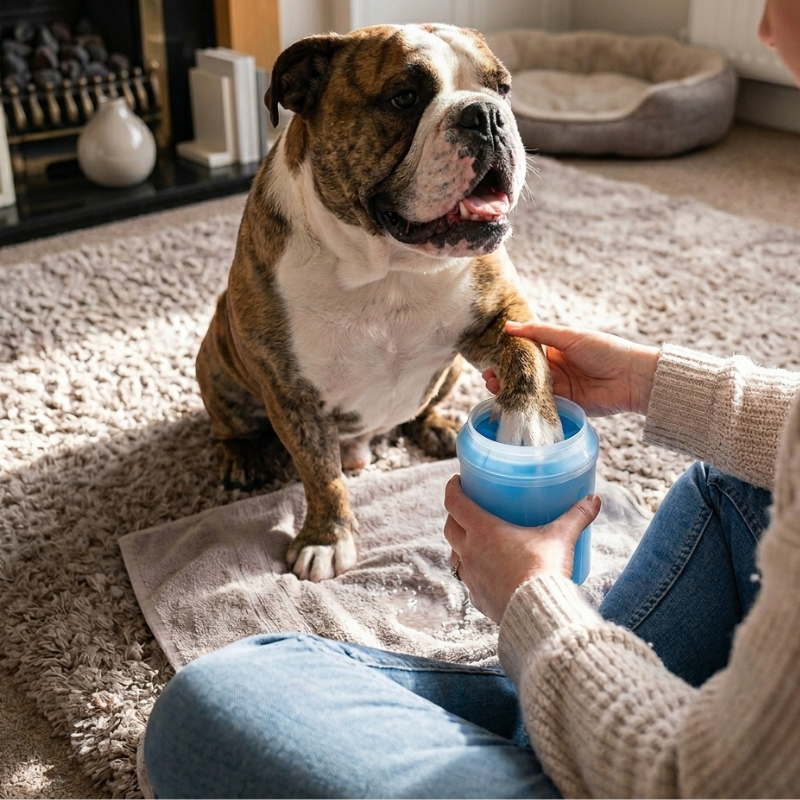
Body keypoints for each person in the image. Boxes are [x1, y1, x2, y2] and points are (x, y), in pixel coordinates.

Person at [143, 1, 800, 796]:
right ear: (304, 103)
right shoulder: (280, 254)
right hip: (303, 404)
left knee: (211, 701)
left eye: (493, 99)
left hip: (683, 774)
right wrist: (658, 381)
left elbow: (708, 780)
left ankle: (547, 714)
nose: (763, 26)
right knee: (720, 483)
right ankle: (551, 704)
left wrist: (531, 600)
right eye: (404, 99)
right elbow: (274, 373)